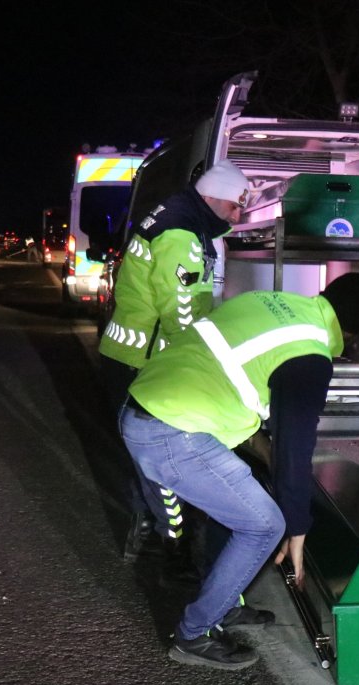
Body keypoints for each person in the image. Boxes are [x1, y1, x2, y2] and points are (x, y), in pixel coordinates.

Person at [120, 273, 359, 669]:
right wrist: (296, 525)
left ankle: (223, 603)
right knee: (263, 525)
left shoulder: (271, 303)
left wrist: (270, 461)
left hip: (145, 408)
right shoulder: (311, 354)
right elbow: (295, 448)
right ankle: (194, 634)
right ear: (351, 334)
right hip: (171, 433)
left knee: (244, 489)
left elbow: (239, 394)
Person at [98, 160, 251, 559]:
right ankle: (170, 550)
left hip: (127, 350)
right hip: (144, 357)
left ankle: (147, 529)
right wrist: (202, 364)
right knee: (157, 455)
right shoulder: (181, 233)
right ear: (214, 197)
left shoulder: (176, 213)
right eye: (236, 206)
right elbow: (179, 311)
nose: (238, 215)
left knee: (139, 453)